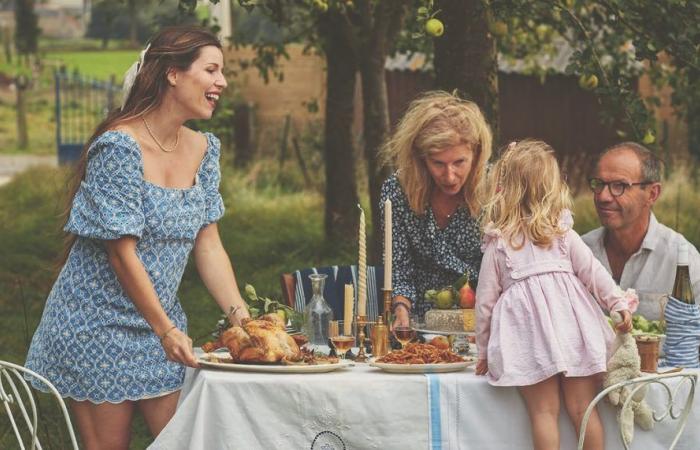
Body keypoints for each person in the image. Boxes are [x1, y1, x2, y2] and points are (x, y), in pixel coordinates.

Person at [24, 26, 251, 449]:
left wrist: (244, 321)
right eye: (212, 69)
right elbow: (121, 254)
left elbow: (209, 244)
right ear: (173, 74)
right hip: (95, 324)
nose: (222, 82)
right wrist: (165, 330)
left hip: (159, 327)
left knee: (187, 440)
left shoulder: (204, 150)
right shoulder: (119, 148)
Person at [475, 140, 637, 450]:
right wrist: (617, 303)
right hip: (572, 331)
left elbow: (485, 303)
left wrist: (483, 351)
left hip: (529, 339)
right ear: (552, 187)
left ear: (505, 188)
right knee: (583, 410)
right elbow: (595, 273)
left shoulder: (499, 244)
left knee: (543, 413)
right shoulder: (563, 234)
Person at [379, 91, 492, 327]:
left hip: (482, 320)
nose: (449, 176)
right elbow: (398, 266)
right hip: (418, 321)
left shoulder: (495, 189)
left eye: (459, 162)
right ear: (421, 159)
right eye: (438, 163)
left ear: (477, 153)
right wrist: (400, 310)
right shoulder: (398, 191)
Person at [582, 142, 700, 320]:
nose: (603, 196)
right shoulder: (580, 252)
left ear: (652, 194)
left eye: (619, 185)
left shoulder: (682, 260)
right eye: (598, 183)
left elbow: (693, 341)